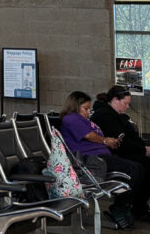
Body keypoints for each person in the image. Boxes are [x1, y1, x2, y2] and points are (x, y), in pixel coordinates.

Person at [60, 90, 143, 231]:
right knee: (133, 169)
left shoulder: (84, 120)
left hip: (102, 156)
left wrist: (111, 143)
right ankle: (119, 207)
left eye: (89, 109)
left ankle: (125, 206)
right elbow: (88, 135)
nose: (88, 112)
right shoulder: (71, 118)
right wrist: (105, 141)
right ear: (75, 106)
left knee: (139, 168)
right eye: (85, 109)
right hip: (90, 159)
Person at [90, 86, 150, 223]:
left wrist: (144, 148)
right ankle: (135, 206)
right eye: (125, 103)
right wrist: (144, 151)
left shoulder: (117, 115)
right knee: (147, 166)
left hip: (123, 152)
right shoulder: (104, 115)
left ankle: (138, 205)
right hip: (112, 155)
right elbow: (121, 144)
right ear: (114, 100)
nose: (127, 107)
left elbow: (130, 139)